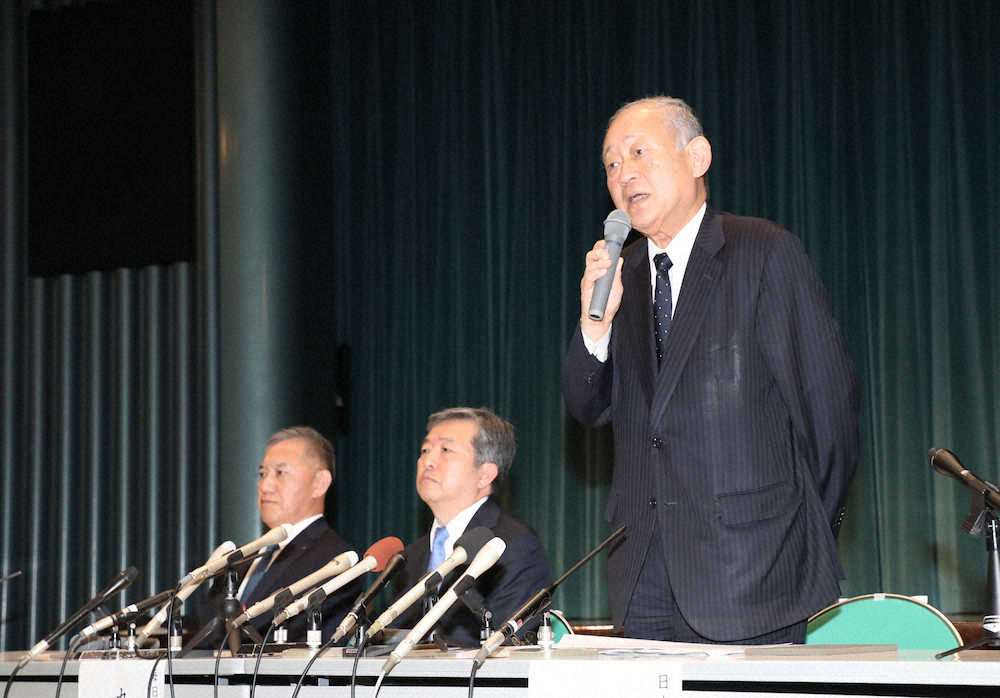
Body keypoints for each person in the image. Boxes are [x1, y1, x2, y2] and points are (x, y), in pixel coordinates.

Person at [562, 96, 858, 644]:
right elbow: (587, 408)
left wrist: (796, 536)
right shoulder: (623, 273)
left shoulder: (762, 251)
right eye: (611, 163)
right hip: (643, 576)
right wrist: (593, 323)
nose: (623, 174)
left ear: (698, 157)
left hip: (754, 571)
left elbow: (827, 413)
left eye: (639, 153)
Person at [390, 407, 551, 647]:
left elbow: (508, 647)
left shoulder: (513, 547)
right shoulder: (409, 556)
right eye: (425, 450)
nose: (428, 461)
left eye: (446, 450)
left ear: (485, 474)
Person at [201, 426, 359, 645]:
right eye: (262, 474)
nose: (265, 486)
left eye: (280, 473)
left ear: (319, 483)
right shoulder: (243, 559)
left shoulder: (335, 561)